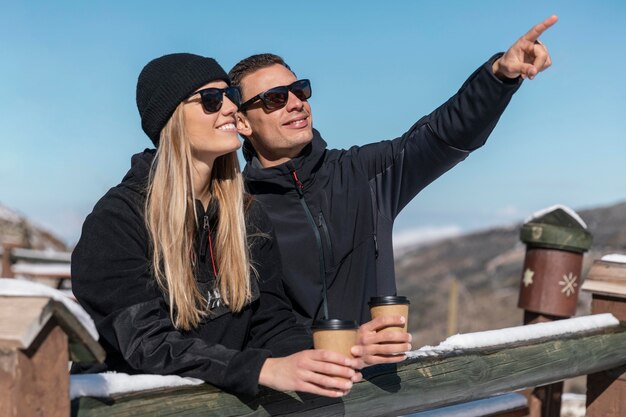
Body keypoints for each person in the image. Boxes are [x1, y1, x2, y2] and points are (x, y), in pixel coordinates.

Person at [229, 16, 557, 359]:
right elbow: (248, 326)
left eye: (299, 91)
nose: (295, 103)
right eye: (274, 99)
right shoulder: (236, 209)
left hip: (379, 393)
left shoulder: (362, 174)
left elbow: (443, 135)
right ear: (241, 122)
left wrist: (499, 77)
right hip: (294, 400)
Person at [71, 53, 364, 398]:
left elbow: (270, 321)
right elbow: (146, 344)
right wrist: (260, 369)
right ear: (172, 119)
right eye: (211, 100)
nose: (229, 108)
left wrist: (324, 358)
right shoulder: (118, 220)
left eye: (231, 96)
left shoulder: (245, 215)